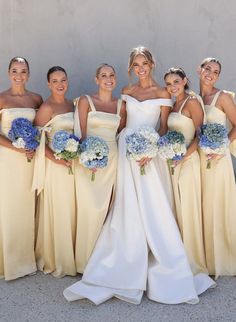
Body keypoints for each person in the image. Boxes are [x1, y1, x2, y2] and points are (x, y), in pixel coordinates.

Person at [63, 47, 215, 305]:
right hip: (125, 153)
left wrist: (151, 149)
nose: (140, 68)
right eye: (136, 64)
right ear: (131, 68)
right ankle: (125, 260)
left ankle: (163, 262)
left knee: (153, 208)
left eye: (144, 63)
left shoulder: (163, 92)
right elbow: (121, 125)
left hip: (149, 155)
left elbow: (164, 128)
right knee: (126, 207)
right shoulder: (126, 92)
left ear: (152, 64)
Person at [74, 63, 126, 273]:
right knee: (89, 208)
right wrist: (87, 157)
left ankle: (101, 260)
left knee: (107, 209)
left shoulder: (121, 105)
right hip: (87, 162)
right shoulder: (85, 101)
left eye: (112, 75)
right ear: (96, 80)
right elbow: (81, 133)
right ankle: (83, 261)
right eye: (103, 75)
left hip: (112, 162)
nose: (108, 79)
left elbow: (121, 133)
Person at [0, 56, 42, 280]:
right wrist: (17, 148)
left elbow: (41, 129)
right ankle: (10, 260)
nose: (19, 75)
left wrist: (32, 146)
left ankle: (28, 258)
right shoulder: (2, 98)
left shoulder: (36, 99)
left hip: (30, 159)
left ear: (28, 73)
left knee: (28, 205)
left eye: (23, 71)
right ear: (9, 73)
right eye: (15, 71)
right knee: (9, 206)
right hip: (8, 159)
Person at [33, 66, 77, 277]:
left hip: (71, 165)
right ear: (49, 84)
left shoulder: (72, 104)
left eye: (63, 80)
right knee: (58, 208)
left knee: (70, 208)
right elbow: (37, 139)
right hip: (55, 166)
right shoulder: (47, 107)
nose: (60, 84)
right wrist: (56, 159)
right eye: (55, 81)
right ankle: (58, 258)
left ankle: (72, 254)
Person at [164, 67, 208, 275]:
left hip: (188, 162)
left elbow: (201, 135)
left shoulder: (191, 102)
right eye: (169, 84)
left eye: (176, 82)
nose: (172, 87)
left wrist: (184, 156)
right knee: (177, 209)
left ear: (185, 81)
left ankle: (193, 259)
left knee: (188, 209)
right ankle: (179, 254)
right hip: (173, 162)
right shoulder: (174, 105)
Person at [198, 57, 236, 277]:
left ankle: (223, 258)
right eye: (207, 69)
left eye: (215, 71)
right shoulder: (195, 98)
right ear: (199, 70)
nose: (211, 73)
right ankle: (205, 258)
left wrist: (221, 147)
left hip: (218, 160)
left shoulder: (222, 97)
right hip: (200, 161)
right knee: (203, 206)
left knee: (218, 206)